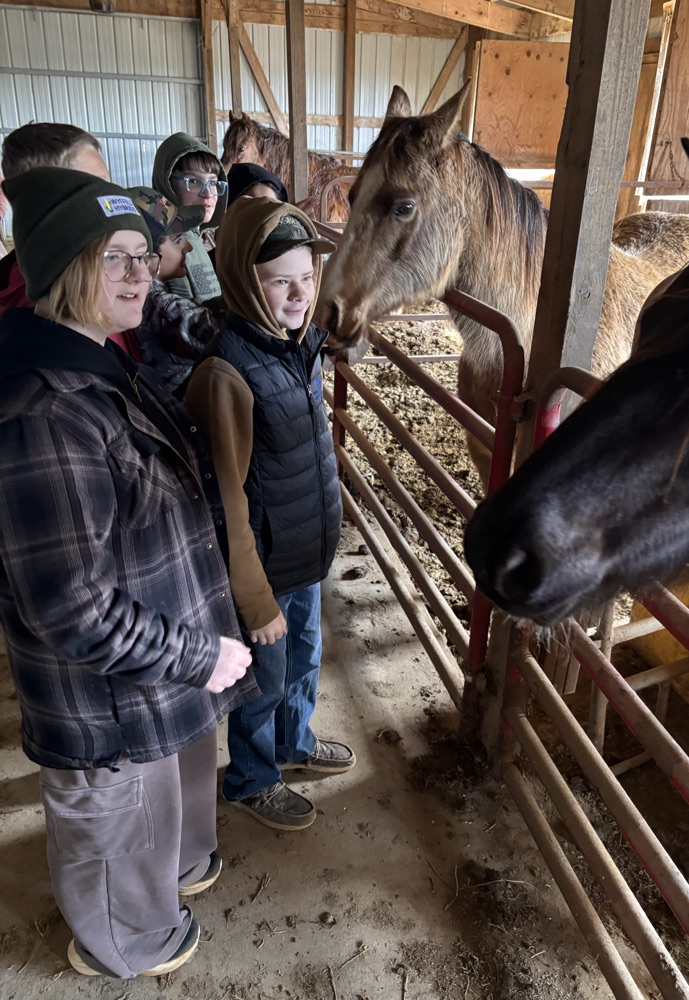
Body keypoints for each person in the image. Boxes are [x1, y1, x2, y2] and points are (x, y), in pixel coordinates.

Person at [0, 167, 257, 978]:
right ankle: (124, 940)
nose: (141, 274)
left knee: (160, 811)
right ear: (65, 270)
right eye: (116, 258)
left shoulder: (100, 360)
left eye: (143, 256)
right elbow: (72, 607)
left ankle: (171, 884)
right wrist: (199, 654)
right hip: (107, 699)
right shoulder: (43, 413)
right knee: (114, 826)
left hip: (156, 671)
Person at [185, 198, 352, 831]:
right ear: (242, 281)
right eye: (280, 280)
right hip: (266, 567)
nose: (299, 294)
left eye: (307, 277)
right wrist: (253, 600)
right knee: (265, 677)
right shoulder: (229, 370)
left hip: (303, 551)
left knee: (305, 655)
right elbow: (227, 497)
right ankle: (252, 779)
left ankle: (294, 743)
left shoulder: (300, 346)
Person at [0, 122, 109, 312]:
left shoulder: (91, 268)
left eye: (108, 187)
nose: (108, 199)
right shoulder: (47, 307)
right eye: (91, 190)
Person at [128, 187, 222, 391]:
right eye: (178, 240)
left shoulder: (143, 299)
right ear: (147, 253)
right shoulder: (161, 308)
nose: (188, 247)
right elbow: (225, 335)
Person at [151, 132, 227, 305]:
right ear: (167, 183)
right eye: (194, 181)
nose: (208, 194)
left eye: (213, 183)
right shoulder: (161, 243)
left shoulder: (196, 238)